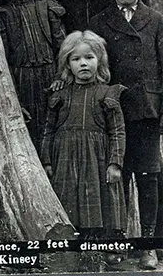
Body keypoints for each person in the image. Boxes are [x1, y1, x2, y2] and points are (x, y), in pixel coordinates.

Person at [89, 0, 163, 269]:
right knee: (116, 178)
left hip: (147, 112)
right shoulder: (99, 23)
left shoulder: (157, 21)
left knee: (148, 178)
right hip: (114, 116)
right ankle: (117, 242)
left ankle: (147, 246)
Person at [40, 30, 126, 243]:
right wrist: (47, 161)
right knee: (68, 202)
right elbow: (48, 131)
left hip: (97, 161)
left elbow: (117, 131)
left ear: (100, 60)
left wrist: (115, 164)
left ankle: (104, 245)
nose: (83, 64)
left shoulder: (108, 94)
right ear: (67, 64)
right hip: (65, 162)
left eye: (89, 57)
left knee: (99, 201)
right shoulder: (59, 95)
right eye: (76, 59)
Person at [0, 0, 66, 150]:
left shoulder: (48, 7)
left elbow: (63, 49)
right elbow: (2, 61)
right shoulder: (2, 14)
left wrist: (61, 78)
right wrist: (14, 101)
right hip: (22, 85)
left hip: (51, 83)